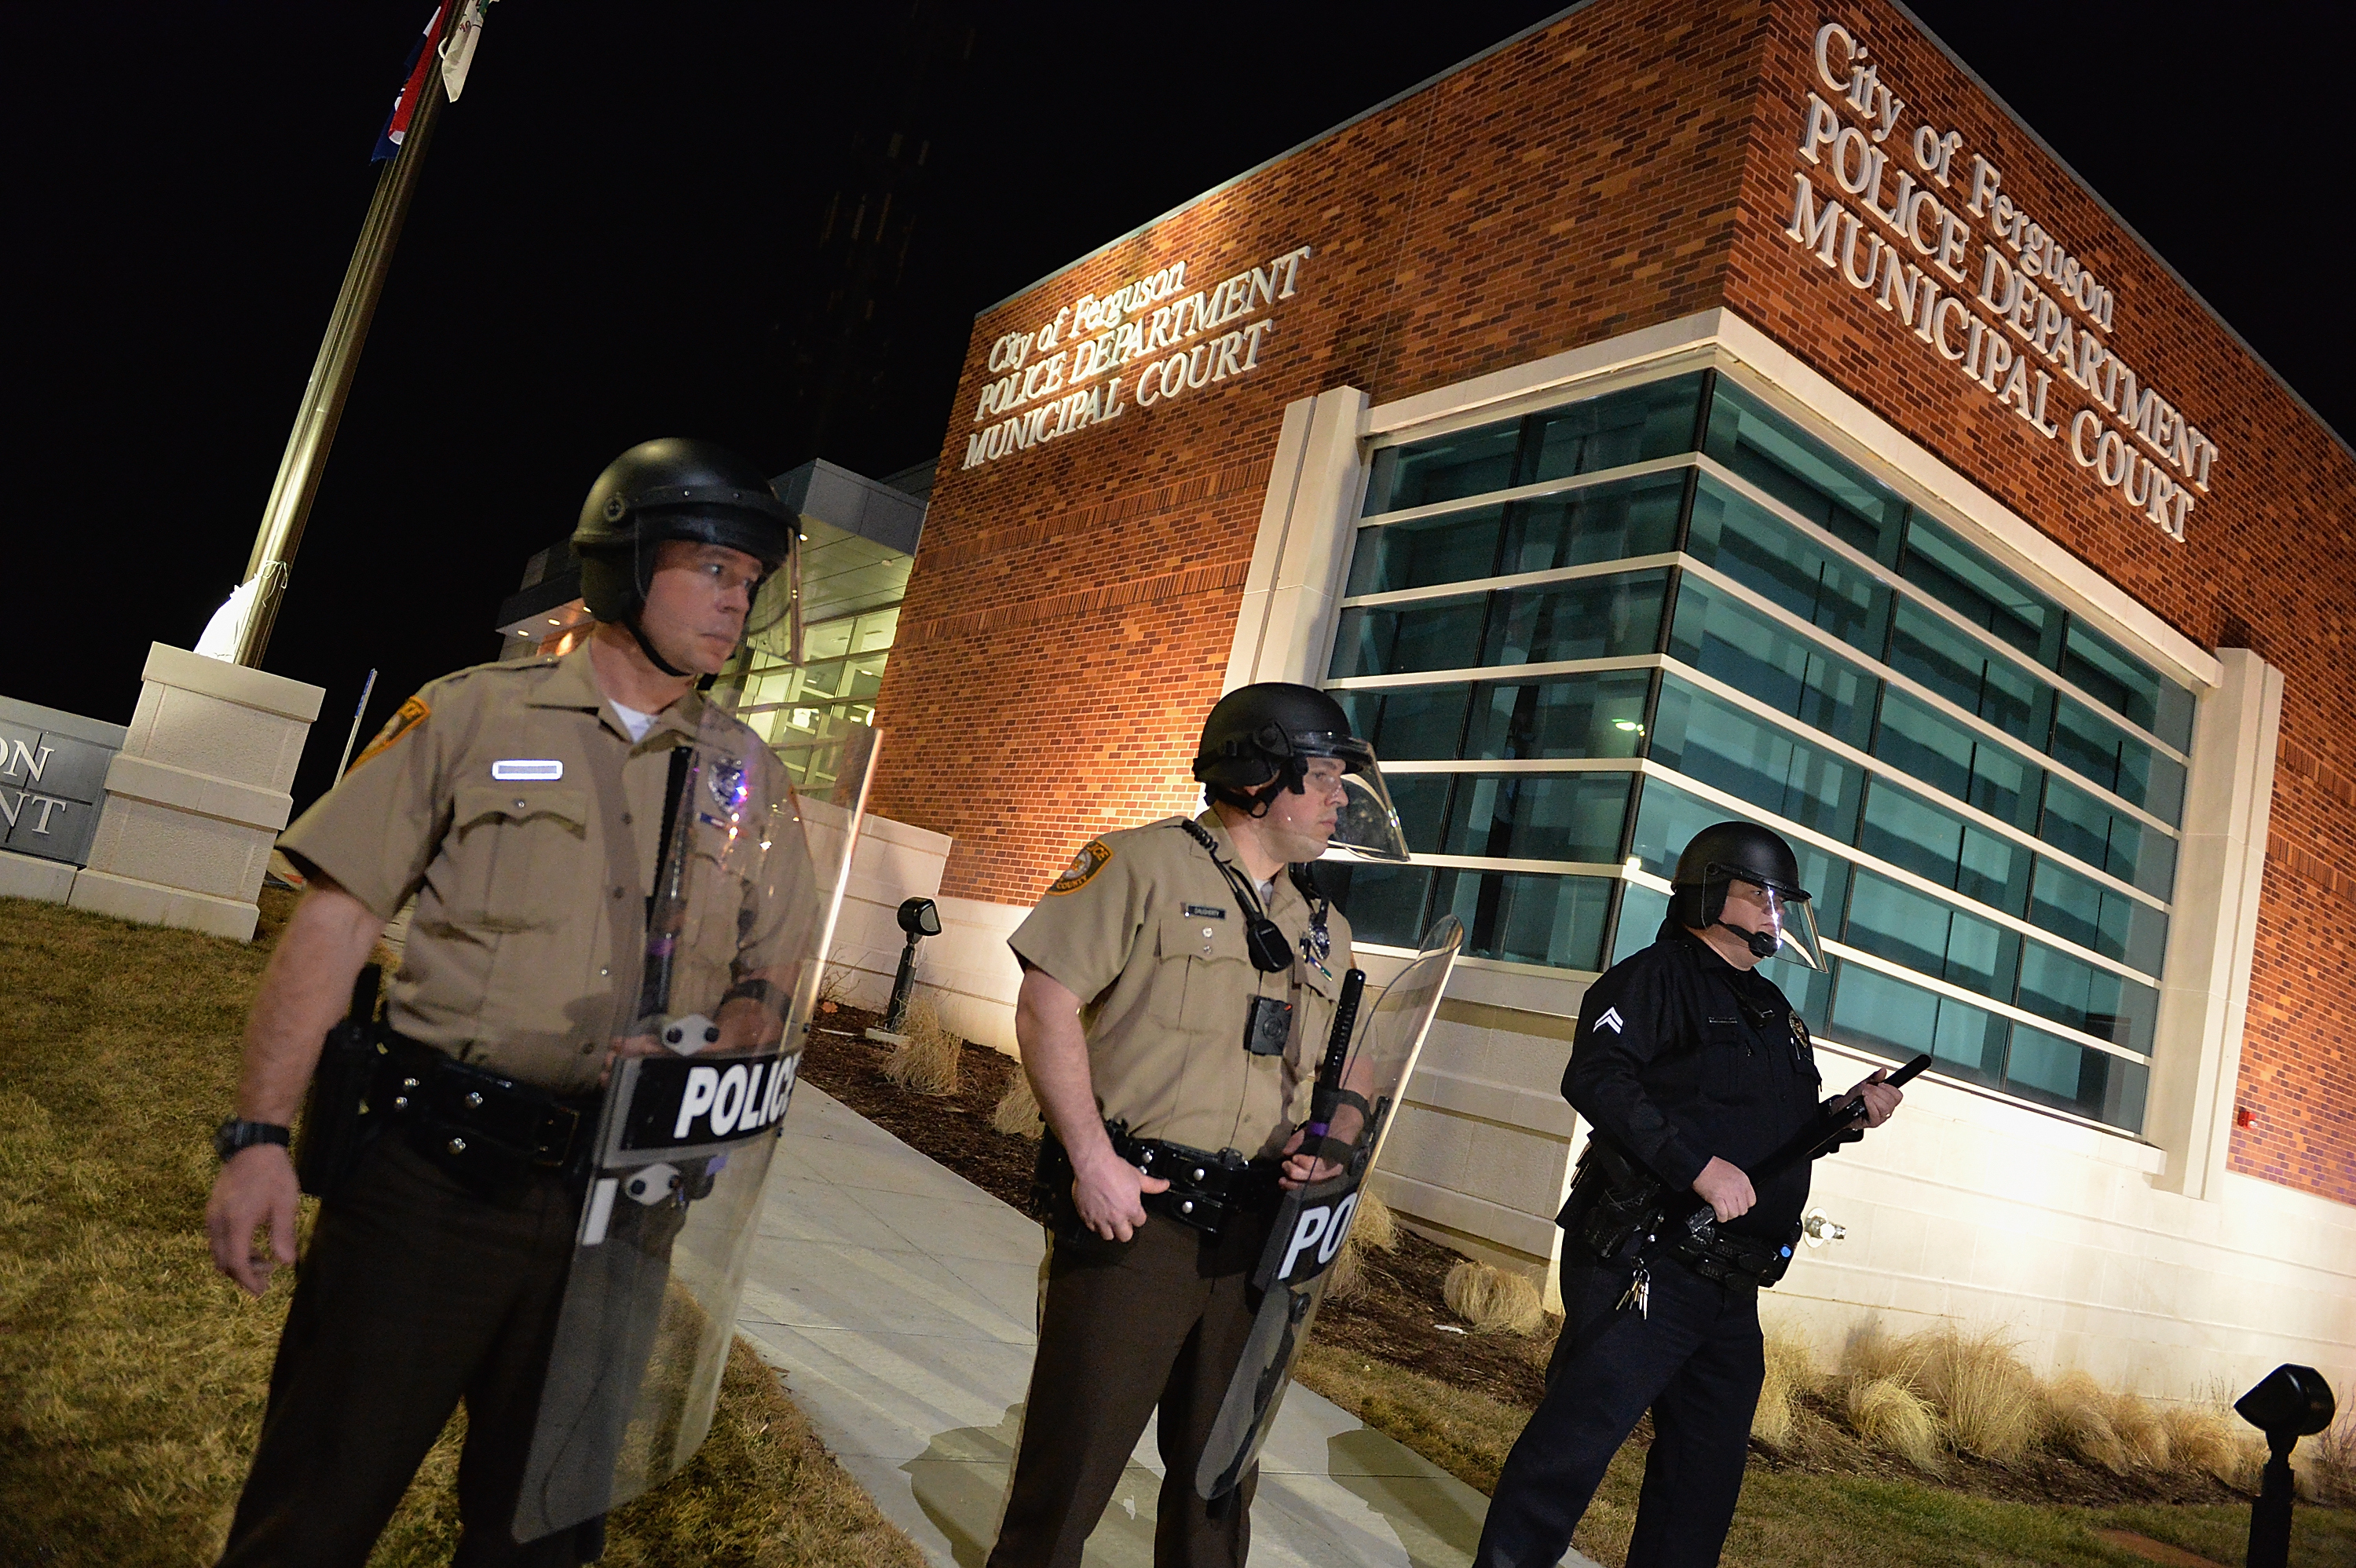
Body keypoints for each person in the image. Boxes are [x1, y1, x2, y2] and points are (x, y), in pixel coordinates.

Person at [203, 437, 803, 1567]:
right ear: (625, 563)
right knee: (317, 1503)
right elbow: (330, 929)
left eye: (752, 582)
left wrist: (736, 1025)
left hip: (621, 1209)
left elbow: (770, 975)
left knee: (543, 1533)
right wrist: (257, 1137)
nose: (739, 603)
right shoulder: (472, 719)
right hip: (432, 1183)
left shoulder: (745, 775)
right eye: (713, 570)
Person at [986, 682, 1398, 1568]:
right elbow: (1046, 1002)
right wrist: (1090, 1158)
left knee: (1220, 1478)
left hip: (1260, 1240)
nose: (1337, 798)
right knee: (1073, 1462)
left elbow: (1354, 1058)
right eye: (1322, 777)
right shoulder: (1136, 864)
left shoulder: (1326, 925)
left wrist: (1337, 1133)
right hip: (1139, 1219)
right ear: (1259, 776)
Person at [1472, 821, 1905, 1568]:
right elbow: (1597, 1078)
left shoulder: (1774, 1013)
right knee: (1570, 1450)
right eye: (1762, 895)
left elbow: (1774, 1137)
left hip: (1732, 1290)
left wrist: (1845, 1115)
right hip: (1648, 1263)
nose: (1776, 914)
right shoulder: (1654, 979)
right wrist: (1695, 1164)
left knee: (1702, 1483)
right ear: (1709, 893)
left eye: (1783, 902)